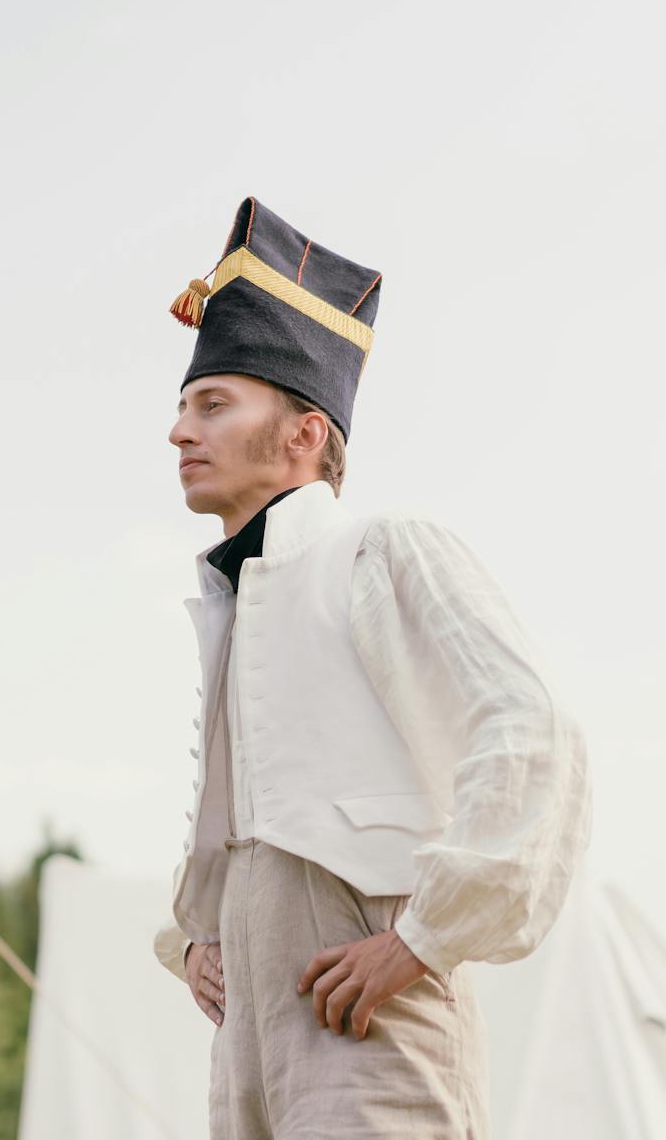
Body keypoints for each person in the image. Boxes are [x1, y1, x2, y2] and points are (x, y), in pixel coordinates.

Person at [151, 197, 592, 1137]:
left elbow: (530, 729)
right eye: (184, 408)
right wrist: (195, 937)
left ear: (305, 434)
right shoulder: (231, 604)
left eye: (213, 404)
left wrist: (423, 940)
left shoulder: (382, 553)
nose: (180, 432)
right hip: (249, 1034)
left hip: (364, 1006)